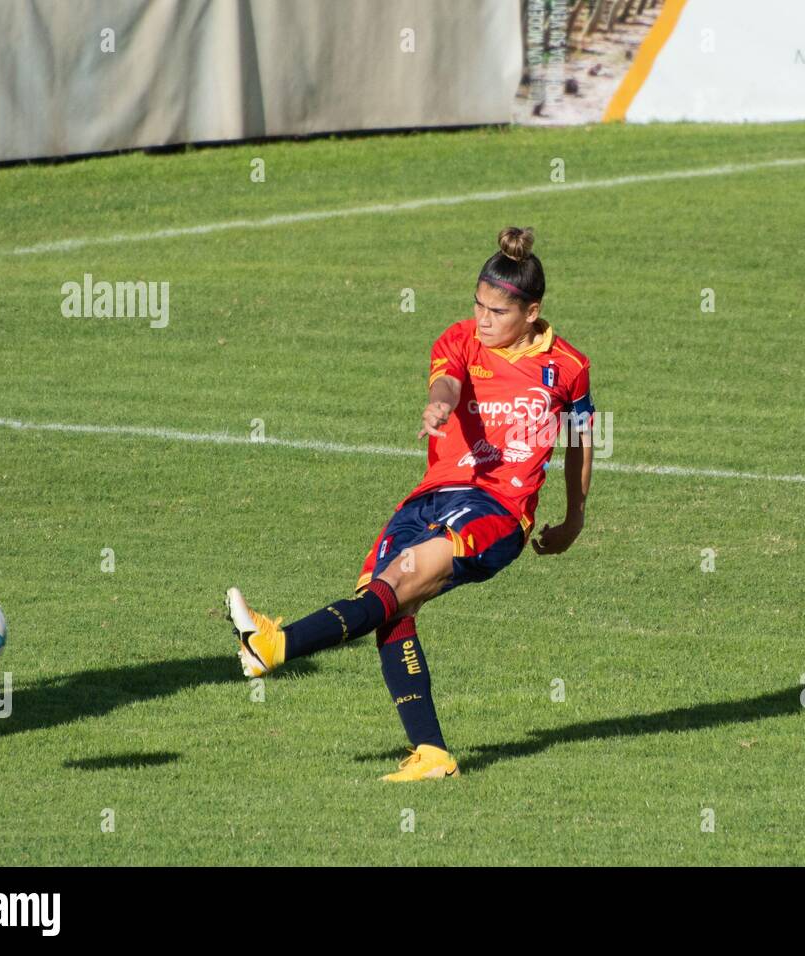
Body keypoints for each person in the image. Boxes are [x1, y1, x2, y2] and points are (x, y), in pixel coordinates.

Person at [224, 226, 596, 779]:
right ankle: (433, 754)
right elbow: (445, 383)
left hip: (496, 511)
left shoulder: (568, 366)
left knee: (398, 580)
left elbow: (581, 441)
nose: (483, 319)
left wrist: (573, 520)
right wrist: (438, 407)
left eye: (496, 311)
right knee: (385, 605)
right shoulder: (460, 339)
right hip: (430, 498)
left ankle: (275, 645)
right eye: (477, 305)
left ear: (531, 311)